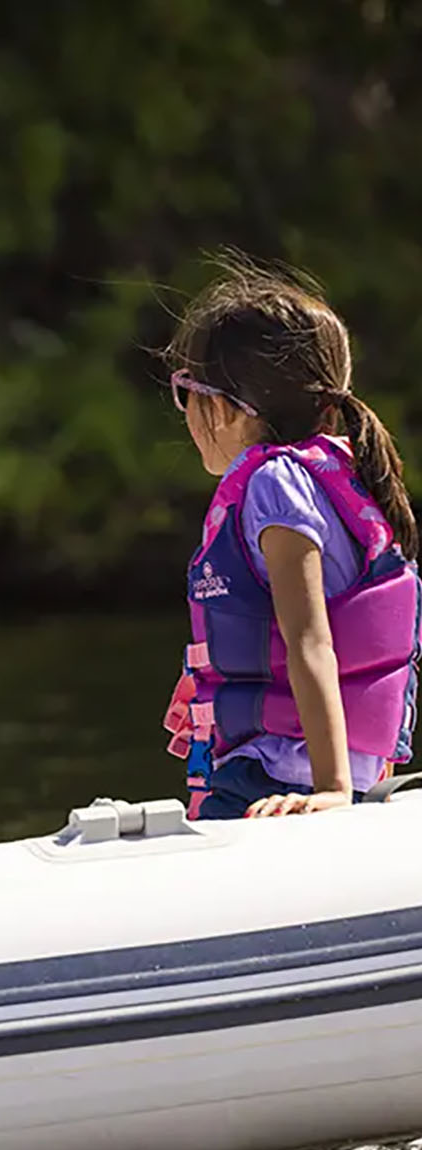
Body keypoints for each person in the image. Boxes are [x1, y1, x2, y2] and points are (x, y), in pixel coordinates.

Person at [161, 258, 422, 821]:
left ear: (225, 407)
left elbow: (311, 642)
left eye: (186, 392)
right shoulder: (348, 474)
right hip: (344, 767)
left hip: (276, 773)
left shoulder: (274, 487)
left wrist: (330, 791)